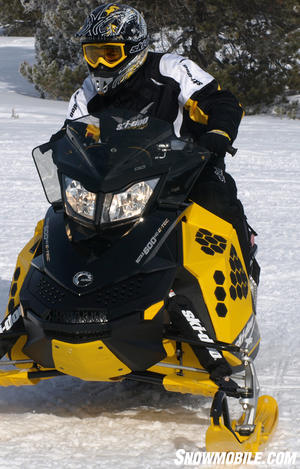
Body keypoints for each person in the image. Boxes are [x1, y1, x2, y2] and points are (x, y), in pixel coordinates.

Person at [66, 3, 253, 386]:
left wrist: (217, 134)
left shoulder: (170, 69)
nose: (100, 65)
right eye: (93, 54)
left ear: (134, 49)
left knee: (217, 200)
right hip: (117, 180)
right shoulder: (87, 91)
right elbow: (71, 133)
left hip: (184, 168)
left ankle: (243, 271)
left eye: (110, 54)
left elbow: (219, 100)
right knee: (66, 219)